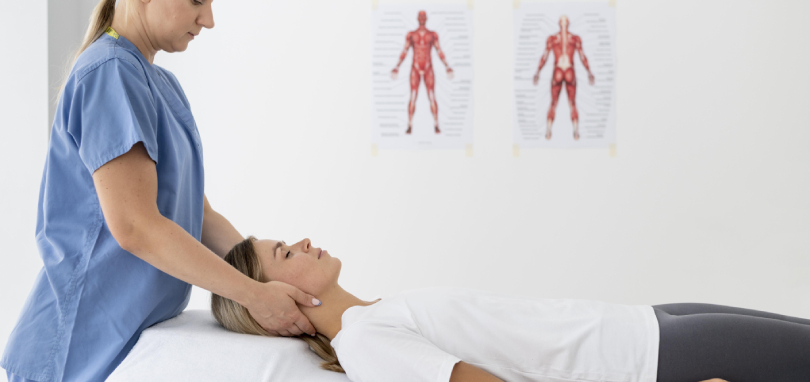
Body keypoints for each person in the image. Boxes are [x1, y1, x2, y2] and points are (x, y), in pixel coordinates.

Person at [1, 0, 320, 382]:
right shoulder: (109, 72)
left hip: (129, 337)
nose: (207, 19)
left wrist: (266, 274)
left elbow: (199, 214)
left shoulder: (160, 83)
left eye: (211, 3)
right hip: (76, 346)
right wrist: (251, 296)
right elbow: (135, 226)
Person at [213, 236, 810, 382]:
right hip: (634, 359)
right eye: (284, 252)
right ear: (276, 297)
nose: (304, 241)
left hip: (639, 324)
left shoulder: (377, 312)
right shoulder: (365, 343)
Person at [532, 15, 595, 140]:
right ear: (568, 23)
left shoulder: (553, 39)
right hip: (569, 70)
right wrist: (589, 72)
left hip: (558, 71)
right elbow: (582, 56)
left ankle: (548, 131)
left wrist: (538, 72)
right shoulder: (575, 39)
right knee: (572, 103)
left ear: (559, 24)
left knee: (554, 103)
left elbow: (544, 56)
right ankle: (576, 132)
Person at [391, 10, 454, 134]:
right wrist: (397, 66)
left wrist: (447, 65)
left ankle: (436, 125)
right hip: (415, 68)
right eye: (420, 16)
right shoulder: (411, 35)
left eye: (423, 16)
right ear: (417, 18)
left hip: (428, 69)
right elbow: (405, 51)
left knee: (431, 96)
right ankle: (409, 125)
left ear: (426, 18)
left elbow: (439, 50)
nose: (422, 18)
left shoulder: (432, 34)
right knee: (413, 97)